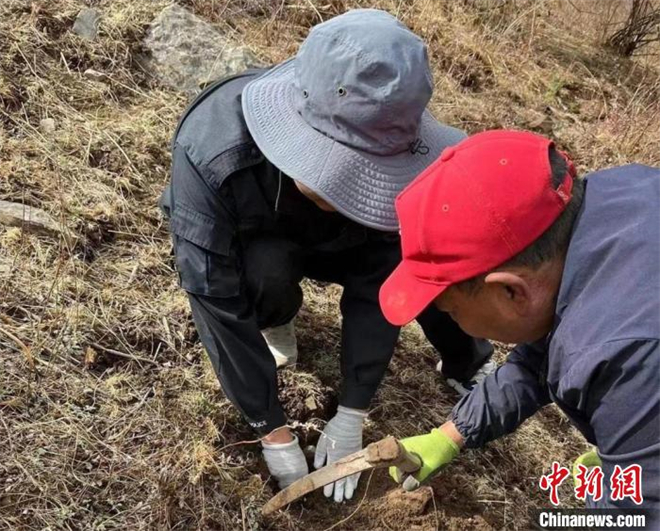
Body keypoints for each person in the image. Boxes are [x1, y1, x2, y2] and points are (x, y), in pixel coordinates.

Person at [160, 9, 494, 503]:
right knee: (261, 277)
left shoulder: (392, 130)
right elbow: (214, 294)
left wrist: (354, 409)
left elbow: (382, 285)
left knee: (428, 256)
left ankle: (466, 362)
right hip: (266, 241)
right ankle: (276, 319)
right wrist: (269, 427)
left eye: (374, 173)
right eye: (344, 173)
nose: (356, 192)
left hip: (353, 248)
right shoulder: (212, 150)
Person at [380, 130, 659, 518]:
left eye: (452, 311)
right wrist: (451, 434)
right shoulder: (616, 196)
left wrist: (617, 488)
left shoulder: (625, 355)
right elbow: (540, 357)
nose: (454, 324)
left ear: (511, 292)